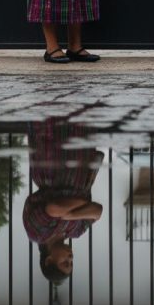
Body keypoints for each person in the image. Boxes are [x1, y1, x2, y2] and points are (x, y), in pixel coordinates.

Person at [22, 119, 104, 283]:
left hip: (51, 159)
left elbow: (53, 207)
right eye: (71, 263)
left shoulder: (36, 233)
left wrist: (80, 207)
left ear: (49, 260)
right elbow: (98, 211)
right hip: (81, 153)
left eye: (65, 263)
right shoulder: (75, 232)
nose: (70, 258)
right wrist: (70, 214)